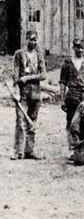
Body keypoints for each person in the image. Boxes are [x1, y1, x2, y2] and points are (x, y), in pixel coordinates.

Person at [11, 30, 47, 160]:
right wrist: (15, 91)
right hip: (23, 93)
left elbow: (43, 75)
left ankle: (29, 150)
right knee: (20, 121)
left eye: (35, 39)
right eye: (31, 39)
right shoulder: (19, 54)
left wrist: (27, 78)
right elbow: (15, 75)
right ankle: (18, 151)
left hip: (36, 93)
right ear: (26, 39)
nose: (33, 42)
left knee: (32, 122)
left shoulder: (39, 55)